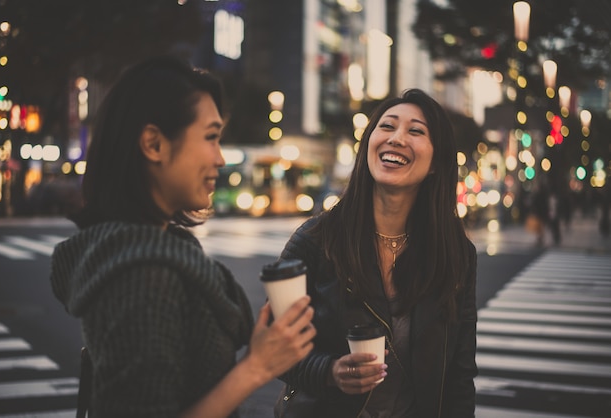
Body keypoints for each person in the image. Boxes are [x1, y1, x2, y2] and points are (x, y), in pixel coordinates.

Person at [50, 55, 316, 418]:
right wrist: (256, 368)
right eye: (210, 137)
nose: (220, 158)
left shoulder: (160, 250)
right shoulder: (141, 275)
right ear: (153, 144)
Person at [274, 89, 478, 417]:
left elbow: (460, 374)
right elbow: (273, 346)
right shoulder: (315, 240)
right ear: (368, 143)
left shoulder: (456, 256)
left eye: (415, 131)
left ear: (437, 164)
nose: (396, 139)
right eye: (386, 127)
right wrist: (329, 371)